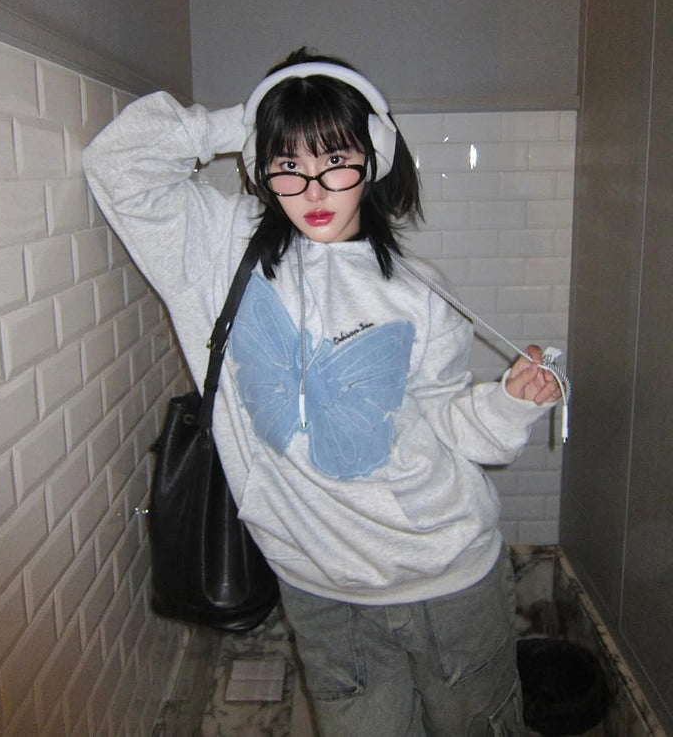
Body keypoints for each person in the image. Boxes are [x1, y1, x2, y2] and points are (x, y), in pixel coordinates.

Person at [82, 47, 561, 736]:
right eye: (288, 164)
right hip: (320, 589)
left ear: (375, 156)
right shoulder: (218, 251)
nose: (312, 190)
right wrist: (248, 121)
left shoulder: (419, 290)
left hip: (447, 575)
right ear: (261, 164)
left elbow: (448, 421)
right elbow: (116, 164)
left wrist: (510, 401)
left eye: (336, 160)